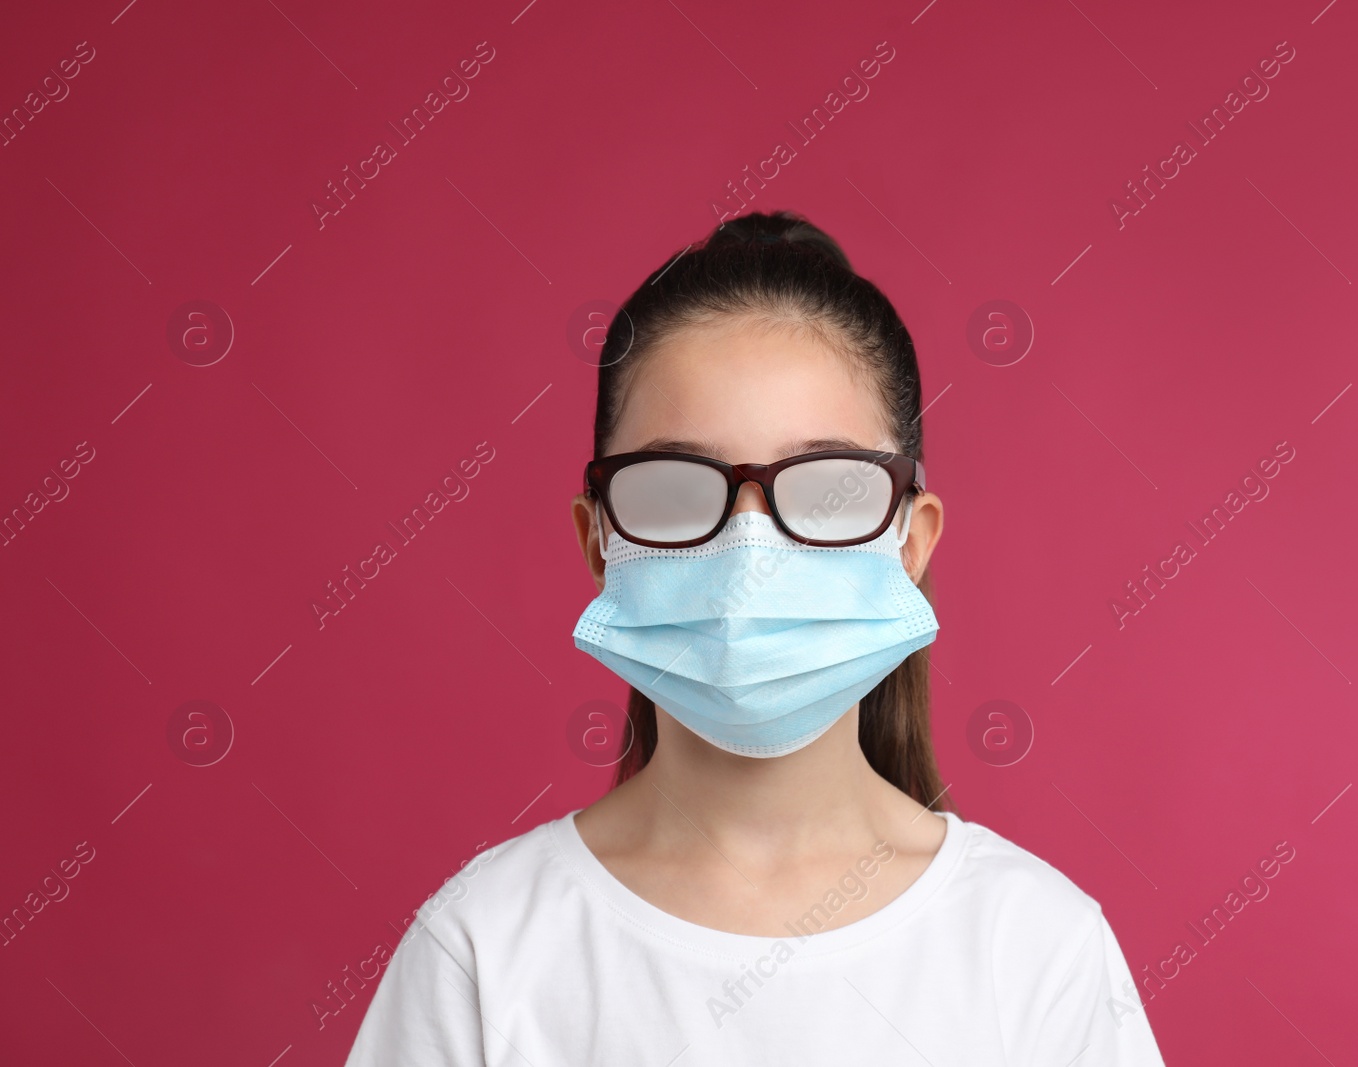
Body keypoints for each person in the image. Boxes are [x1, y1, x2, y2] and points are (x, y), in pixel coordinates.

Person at [343, 210, 1167, 1065]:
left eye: (825, 489)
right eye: (674, 485)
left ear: (909, 542)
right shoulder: (483, 953)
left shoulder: (1036, 952)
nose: (749, 549)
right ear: (601, 541)